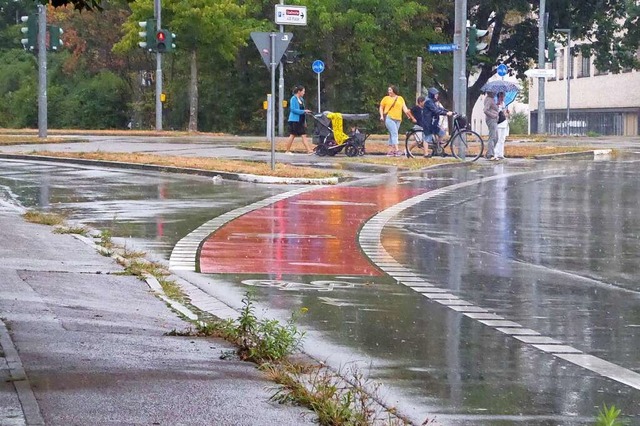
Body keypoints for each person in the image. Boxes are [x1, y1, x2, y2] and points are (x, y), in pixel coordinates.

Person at [379, 85, 415, 156]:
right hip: (389, 118)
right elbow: (381, 107)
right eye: (388, 90)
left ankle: (390, 151)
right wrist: (381, 116)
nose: (389, 91)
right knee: (395, 133)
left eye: (390, 90)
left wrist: (409, 115)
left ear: (394, 90)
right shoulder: (386, 98)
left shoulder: (400, 98)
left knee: (392, 134)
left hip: (398, 119)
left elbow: (404, 108)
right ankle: (397, 150)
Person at [422, 87, 452, 157]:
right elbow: (436, 111)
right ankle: (426, 154)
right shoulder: (428, 101)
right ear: (432, 95)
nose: (437, 96)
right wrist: (446, 113)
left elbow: (439, 108)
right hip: (428, 123)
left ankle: (437, 148)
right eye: (435, 94)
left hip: (433, 123)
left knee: (442, 133)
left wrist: (447, 111)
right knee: (427, 137)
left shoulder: (433, 101)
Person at [284, 86, 313, 155]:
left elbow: (303, 111)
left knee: (299, 135)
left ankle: (308, 150)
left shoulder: (301, 99)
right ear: (299, 92)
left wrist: (304, 120)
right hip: (294, 120)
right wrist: (304, 111)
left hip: (301, 120)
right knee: (296, 135)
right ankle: (288, 151)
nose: (304, 93)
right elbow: (293, 110)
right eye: (303, 91)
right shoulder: (293, 99)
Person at [483, 90, 499, 159]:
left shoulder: (491, 99)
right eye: (494, 92)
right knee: (492, 137)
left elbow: (493, 108)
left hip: (494, 120)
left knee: (496, 137)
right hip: (491, 120)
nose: (495, 93)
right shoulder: (489, 99)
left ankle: (489, 152)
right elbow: (485, 110)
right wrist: (493, 115)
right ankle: (490, 154)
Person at [494, 92, 510, 160]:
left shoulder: (504, 104)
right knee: (498, 139)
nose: (502, 98)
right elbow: (496, 113)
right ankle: (496, 154)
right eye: (501, 97)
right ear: (498, 97)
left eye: (503, 97)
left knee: (502, 139)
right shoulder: (496, 104)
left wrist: (507, 112)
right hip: (499, 123)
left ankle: (501, 154)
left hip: (504, 123)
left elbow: (505, 114)